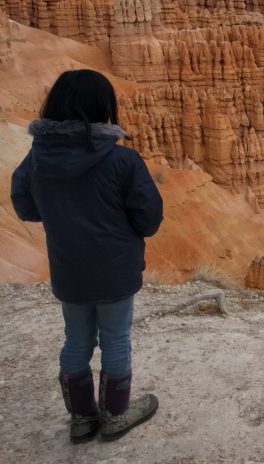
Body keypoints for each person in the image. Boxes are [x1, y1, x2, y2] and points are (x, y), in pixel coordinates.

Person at [10, 69, 164, 444]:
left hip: (69, 270)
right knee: (115, 339)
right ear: (102, 108)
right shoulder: (122, 161)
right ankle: (114, 416)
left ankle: (81, 419)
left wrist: (60, 215)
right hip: (115, 270)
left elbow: (26, 208)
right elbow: (149, 217)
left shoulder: (36, 161)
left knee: (76, 341)